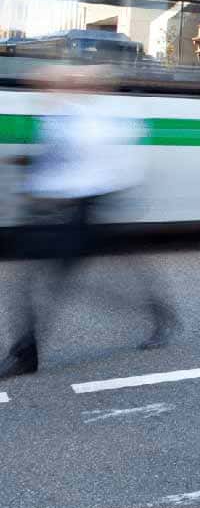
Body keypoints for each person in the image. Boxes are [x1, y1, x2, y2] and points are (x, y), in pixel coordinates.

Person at [0, 65, 177, 379]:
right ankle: (159, 313)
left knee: (48, 284)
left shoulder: (96, 121)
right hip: (65, 212)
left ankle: (25, 355)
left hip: (85, 212)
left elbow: (77, 163)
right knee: (47, 283)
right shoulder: (67, 115)